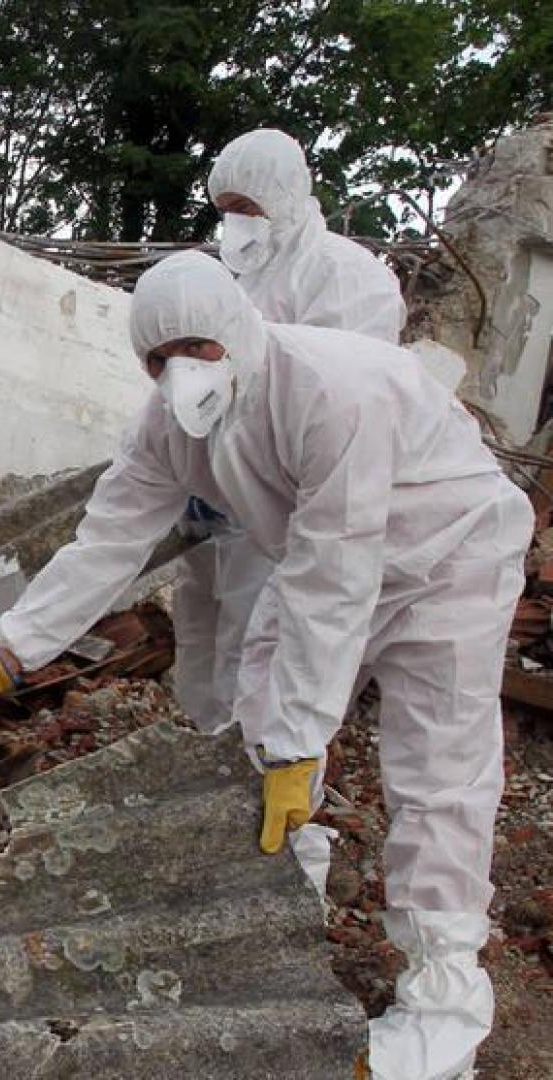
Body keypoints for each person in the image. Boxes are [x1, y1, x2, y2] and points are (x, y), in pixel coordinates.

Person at [0, 252, 528, 1080]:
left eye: (198, 349)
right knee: (257, 722)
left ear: (238, 333)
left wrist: (302, 743)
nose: (181, 373)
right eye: (158, 360)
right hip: (320, 561)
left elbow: (335, 575)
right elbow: (108, 544)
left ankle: (445, 1006)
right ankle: (282, 898)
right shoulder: (165, 428)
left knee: (438, 770)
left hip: (446, 556)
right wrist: (10, 655)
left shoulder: (329, 389)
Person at [175, 127, 410, 735]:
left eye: (246, 208)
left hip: (286, 498)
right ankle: (204, 755)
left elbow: (341, 397)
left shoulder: (349, 278)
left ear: (283, 198)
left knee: (260, 647)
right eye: (224, 210)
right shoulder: (237, 280)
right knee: (201, 627)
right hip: (220, 491)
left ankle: (266, 799)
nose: (235, 223)